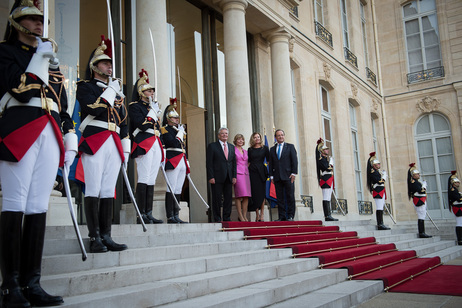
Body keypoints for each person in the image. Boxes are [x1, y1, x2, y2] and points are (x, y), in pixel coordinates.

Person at [0, 1, 75, 306]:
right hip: (20, 127)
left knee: (37, 207)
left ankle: (33, 282)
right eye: (31, 20)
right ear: (18, 24)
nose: (38, 25)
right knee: (15, 202)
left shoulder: (50, 62)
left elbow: (63, 104)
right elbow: (20, 88)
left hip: (49, 132)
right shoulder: (6, 51)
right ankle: (10, 286)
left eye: (41, 20)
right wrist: (41, 60)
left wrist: (70, 138)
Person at [77, 36, 129, 253]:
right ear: (94, 65)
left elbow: (124, 120)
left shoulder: (116, 92)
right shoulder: (85, 86)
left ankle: (106, 235)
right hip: (95, 138)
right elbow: (93, 109)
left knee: (108, 189)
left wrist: (125, 142)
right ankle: (94, 236)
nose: (109, 67)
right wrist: (110, 91)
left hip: (113, 141)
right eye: (105, 63)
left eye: (110, 64)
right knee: (94, 187)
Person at [129, 69, 163, 224]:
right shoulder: (135, 106)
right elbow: (141, 126)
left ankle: (148, 213)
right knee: (143, 177)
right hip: (143, 141)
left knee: (151, 178)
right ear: (141, 92)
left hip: (155, 141)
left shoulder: (152, 107)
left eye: (152, 91)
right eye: (149, 90)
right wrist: (152, 113)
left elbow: (157, 128)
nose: (151, 93)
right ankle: (140, 214)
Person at [161, 99, 188, 224]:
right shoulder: (165, 129)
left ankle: (176, 214)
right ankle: (170, 215)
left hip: (181, 159)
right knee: (171, 187)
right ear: (168, 118)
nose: (177, 119)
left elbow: (183, 146)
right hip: (172, 159)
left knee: (178, 188)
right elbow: (172, 142)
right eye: (174, 118)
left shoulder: (179, 131)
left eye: (177, 117)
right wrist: (180, 133)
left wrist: (186, 160)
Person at [207, 127, 236, 222]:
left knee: (228, 199)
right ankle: (217, 218)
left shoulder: (231, 147)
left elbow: (234, 163)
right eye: (222, 133)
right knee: (217, 199)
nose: (224, 135)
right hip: (216, 177)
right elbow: (209, 163)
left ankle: (227, 217)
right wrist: (211, 176)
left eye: (226, 134)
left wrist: (234, 176)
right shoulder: (212, 146)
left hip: (228, 177)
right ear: (219, 135)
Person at [268, 129, 298, 221]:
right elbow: (271, 163)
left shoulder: (290, 147)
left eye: (282, 135)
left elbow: (294, 161)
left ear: (284, 136)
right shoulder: (272, 149)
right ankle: (282, 216)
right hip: (277, 176)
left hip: (288, 176)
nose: (280, 137)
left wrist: (294, 173)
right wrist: (271, 176)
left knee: (290, 196)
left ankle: (290, 215)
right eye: (278, 135)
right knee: (279, 197)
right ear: (276, 137)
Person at [248, 132, 270, 221]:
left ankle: (262, 214)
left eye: (258, 137)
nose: (257, 138)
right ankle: (257, 214)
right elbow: (248, 162)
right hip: (252, 172)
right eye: (255, 137)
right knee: (254, 193)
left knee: (262, 193)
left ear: (260, 138)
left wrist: (268, 171)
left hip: (261, 171)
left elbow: (268, 161)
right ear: (252, 139)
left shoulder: (265, 148)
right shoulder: (250, 149)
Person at [315, 138, 338, 222]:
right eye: (325, 149)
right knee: (326, 197)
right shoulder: (321, 159)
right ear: (321, 150)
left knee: (328, 197)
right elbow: (327, 168)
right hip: (325, 180)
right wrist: (331, 163)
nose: (327, 150)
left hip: (329, 179)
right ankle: (327, 215)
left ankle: (329, 214)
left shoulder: (325, 159)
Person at [366, 152, 390, 230]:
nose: (379, 165)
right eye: (378, 164)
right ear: (374, 165)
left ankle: (381, 223)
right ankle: (380, 224)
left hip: (381, 190)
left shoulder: (377, 172)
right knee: (379, 207)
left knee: (381, 207)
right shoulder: (373, 172)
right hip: (378, 190)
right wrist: (384, 176)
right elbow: (379, 181)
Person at [407, 163, 432, 238]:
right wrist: (424, 186)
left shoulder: (417, 182)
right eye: (417, 174)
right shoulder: (414, 182)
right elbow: (420, 191)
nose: (419, 175)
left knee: (422, 216)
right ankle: (421, 232)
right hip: (419, 201)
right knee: (421, 216)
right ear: (413, 175)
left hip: (421, 200)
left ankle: (422, 232)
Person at [233, 134, 251, 221]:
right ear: (235, 141)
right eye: (238, 139)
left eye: (242, 140)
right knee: (239, 195)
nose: (240, 141)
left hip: (246, 174)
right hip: (237, 174)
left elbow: (248, 162)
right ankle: (240, 215)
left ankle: (244, 215)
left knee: (246, 196)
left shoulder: (246, 151)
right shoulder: (233, 150)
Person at [448, 171, 462, 245]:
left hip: (459, 207)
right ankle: (459, 240)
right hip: (457, 207)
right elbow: (458, 199)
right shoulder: (453, 190)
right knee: (459, 223)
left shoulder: (456, 190)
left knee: (461, 223)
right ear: (453, 183)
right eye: (457, 182)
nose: (458, 184)